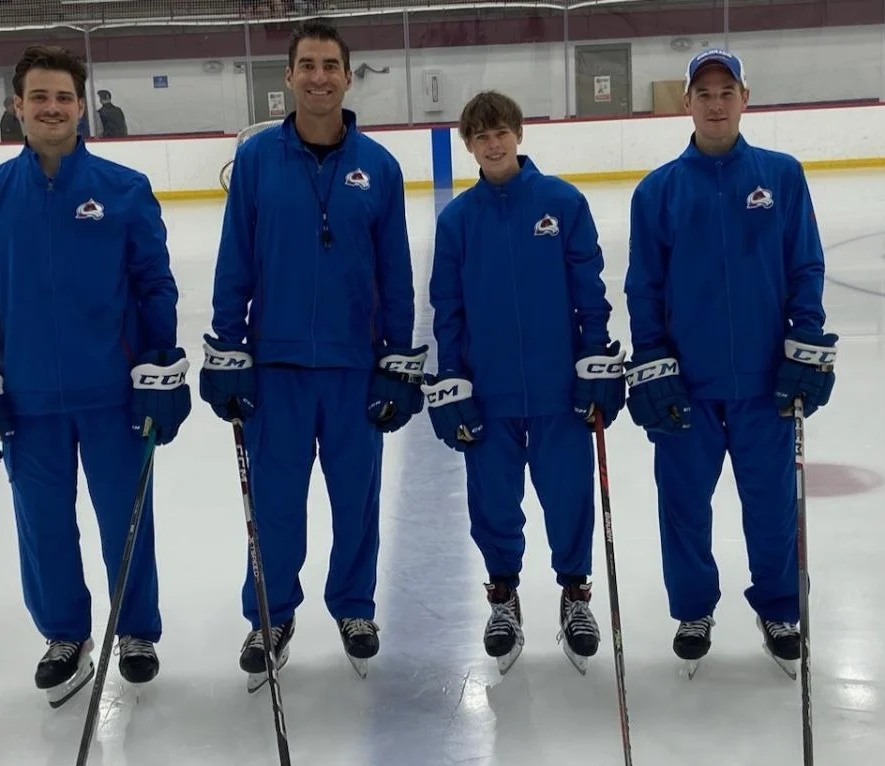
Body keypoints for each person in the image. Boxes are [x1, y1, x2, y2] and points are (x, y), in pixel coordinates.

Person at [200, 19, 424, 684]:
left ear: (348, 76)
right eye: (308, 65)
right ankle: (270, 614)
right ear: (290, 77)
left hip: (355, 370)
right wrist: (226, 347)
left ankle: (355, 607)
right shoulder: (257, 160)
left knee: (356, 501)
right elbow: (235, 258)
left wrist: (398, 362)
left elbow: (397, 276)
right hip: (277, 368)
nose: (319, 76)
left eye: (331, 64)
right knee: (274, 503)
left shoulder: (378, 168)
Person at [623, 49, 836, 676]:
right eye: (704, 93)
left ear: (745, 98)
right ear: (686, 103)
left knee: (770, 505)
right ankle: (694, 608)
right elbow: (644, 286)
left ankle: (778, 608)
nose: (715, 104)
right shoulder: (658, 190)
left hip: (766, 384)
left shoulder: (782, 175)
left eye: (726, 92)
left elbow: (806, 265)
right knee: (683, 506)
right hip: (687, 385)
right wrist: (654, 359)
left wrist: (806, 341)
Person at [0, 45, 191, 706]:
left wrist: (157, 369)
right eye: (38, 98)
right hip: (27, 401)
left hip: (112, 394)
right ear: (17, 107)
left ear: (81, 107)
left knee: (126, 520)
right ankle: (64, 636)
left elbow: (154, 287)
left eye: (63, 98)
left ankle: (135, 631)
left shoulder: (121, 190)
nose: (51, 108)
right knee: (42, 524)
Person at [424, 91, 625, 676]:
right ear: (468, 145)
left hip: (558, 388)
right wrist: (454, 374)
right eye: (482, 136)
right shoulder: (458, 220)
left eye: (501, 131)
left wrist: (594, 358)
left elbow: (590, 288)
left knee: (567, 494)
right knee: (492, 502)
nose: (494, 143)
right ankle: (503, 597)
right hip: (489, 391)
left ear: (518, 133)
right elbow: (448, 306)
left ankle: (575, 593)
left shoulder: (561, 202)